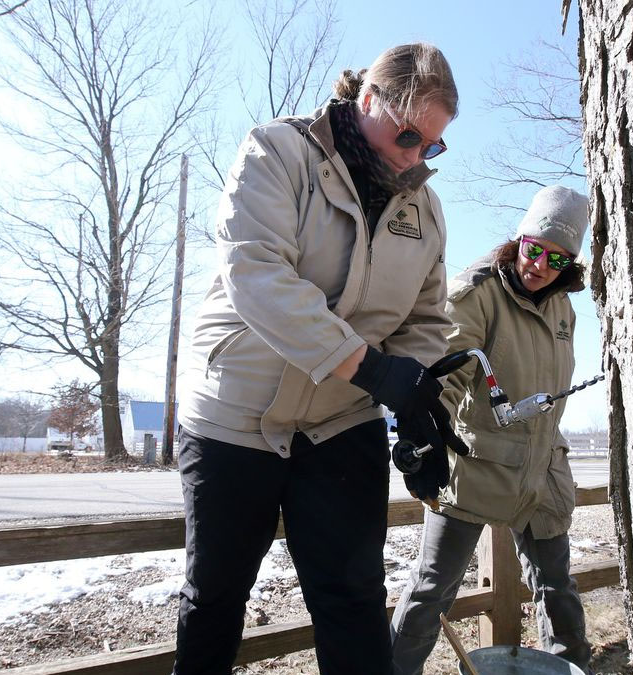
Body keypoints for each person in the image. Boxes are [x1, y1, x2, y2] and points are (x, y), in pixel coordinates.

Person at [172, 43, 468, 675]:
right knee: (215, 597)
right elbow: (257, 273)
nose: (415, 158)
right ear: (369, 100)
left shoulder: (425, 210)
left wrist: (415, 406)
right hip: (235, 414)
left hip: (340, 420)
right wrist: (372, 369)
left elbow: (425, 318)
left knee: (354, 600)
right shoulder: (278, 151)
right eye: (407, 135)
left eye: (432, 146)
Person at [391, 185, 594, 675]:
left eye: (557, 259)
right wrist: (424, 438)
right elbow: (443, 377)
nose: (540, 265)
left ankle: (568, 669)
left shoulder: (562, 305)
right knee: (431, 590)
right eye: (534, 249)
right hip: (475, 469)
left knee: (558, 591)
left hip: (544, 472)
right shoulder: (476, 293)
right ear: (519, 240)